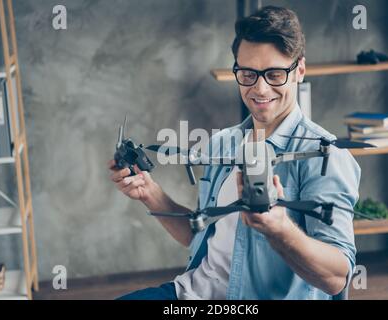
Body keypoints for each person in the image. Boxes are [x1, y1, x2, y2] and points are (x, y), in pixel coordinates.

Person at [108, 6, 360, 300]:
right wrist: (149, 193)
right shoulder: (223, 142)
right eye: (248, 74)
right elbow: (198, 236)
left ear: (299, 70)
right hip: (193, 294)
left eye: (275, 74)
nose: (260, 89)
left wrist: (280, 230)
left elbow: (337, 278)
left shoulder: (325, 155)